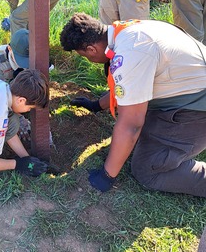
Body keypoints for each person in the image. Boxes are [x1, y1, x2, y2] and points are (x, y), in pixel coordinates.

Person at [60, 13, 206, 196]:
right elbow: (127, 88)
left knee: (147, 169)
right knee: (133, 143)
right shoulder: (124, 32)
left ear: (90, 49)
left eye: (84, 56)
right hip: (187, 91)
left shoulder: (131, 52)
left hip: (197, 108)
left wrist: (107, 175)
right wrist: (96, 105)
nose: (88, 60)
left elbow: (131, 125)